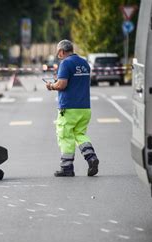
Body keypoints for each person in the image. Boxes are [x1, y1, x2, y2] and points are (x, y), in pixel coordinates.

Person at [45, 39, 99, 177]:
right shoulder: (84, 63)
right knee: (79, 134)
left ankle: (67, 167)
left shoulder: (65, 63)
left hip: (69, 108)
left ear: (62, 51)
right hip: (85, 107)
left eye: (58, 53)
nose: (58, 56)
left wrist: (52, 85)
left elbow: (62, 85)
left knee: (65, 136)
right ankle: (91, 157)